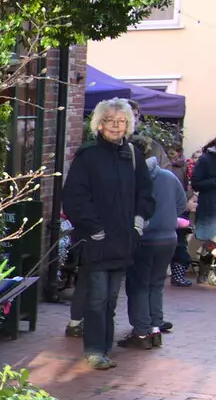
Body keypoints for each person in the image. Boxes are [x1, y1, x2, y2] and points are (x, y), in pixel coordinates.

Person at [61, 98, 154, 370]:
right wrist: (94, 228)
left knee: (111, 300)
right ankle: (94, 349)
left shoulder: (133, 155)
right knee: (97, 298)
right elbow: (74, 197)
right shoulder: (88, 155)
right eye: (110, 121)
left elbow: (145, 194)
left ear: (128, 124)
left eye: (121, 121)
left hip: (124, 241)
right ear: (99, 125)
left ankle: (104, 348)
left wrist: (138, 222)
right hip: (97, 241)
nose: (116, 126)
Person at [119, 139, 186, 349]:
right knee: (156, 285)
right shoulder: (168, 176)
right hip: (168, 238)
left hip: (144, 238)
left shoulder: (132, 178)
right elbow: (182, 204)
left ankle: (141, 333)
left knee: (138, 285)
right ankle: (155, 330)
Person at [189, 136, 216, 284]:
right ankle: (203, 271)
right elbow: (196, 183)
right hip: (210, 208)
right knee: (208, 240)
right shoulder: (206, 159)